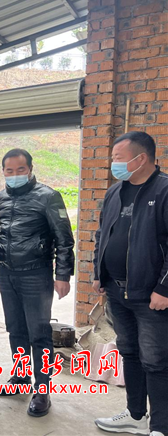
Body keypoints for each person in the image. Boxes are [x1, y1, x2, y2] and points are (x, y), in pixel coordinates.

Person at [0, 148, 74, 418]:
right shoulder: (0, 197)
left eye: (20, 169)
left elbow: (64, 238)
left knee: (39, 334)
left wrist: (62, 275)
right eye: (9, 170)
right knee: (15, 330)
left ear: (30, 169)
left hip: (36, 274)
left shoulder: (49, 196)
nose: (15, 174)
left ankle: (42, 391)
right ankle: (21, 378)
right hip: (6, 273)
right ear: (3, 172)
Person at [92, 132, 168, 436]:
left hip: (150, 296)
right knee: (130, 353)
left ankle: (160, 427)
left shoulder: (164, 190)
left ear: (141, 158)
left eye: (118, 158)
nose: (113, 163)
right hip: (116, 290)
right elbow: (102, 234)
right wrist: (99, 273)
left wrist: (164, 288)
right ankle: (136, 416)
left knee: (157, 361)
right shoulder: (115, 192)